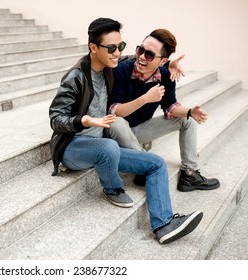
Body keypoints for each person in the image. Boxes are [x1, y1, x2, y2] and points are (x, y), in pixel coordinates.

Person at [49, 18, 202, 244]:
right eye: (112, 48)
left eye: (120, 46)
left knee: (156, 163)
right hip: (75, 147)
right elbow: (56, 118)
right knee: (110, 144)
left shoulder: (111, 69)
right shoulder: (76, 77)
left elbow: (137, 61)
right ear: (93, 48)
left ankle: (163, 224)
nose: (118, 52)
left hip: (103, 145)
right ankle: (112, 188)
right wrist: (85, 120)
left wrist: (166, 66)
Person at [108, 28, 220, 192]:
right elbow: (114, 110)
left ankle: (189, 173)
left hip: (138, 131)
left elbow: (170, 108)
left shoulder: (166, 76)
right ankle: (144, 164)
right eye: (140, 50)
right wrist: (145, 98)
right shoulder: (122, 70)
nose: (141, 56)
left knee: (187, 120)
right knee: (116, 122)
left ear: (162, 61)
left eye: (149, 55)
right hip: (116, 134)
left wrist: (190, 112)